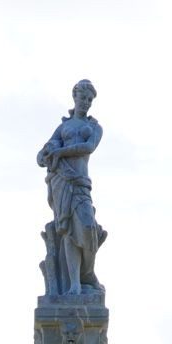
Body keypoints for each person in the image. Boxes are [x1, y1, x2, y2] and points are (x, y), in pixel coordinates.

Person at [37, 79, 107, 293]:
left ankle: (87, 274)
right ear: (74, 96)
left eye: (89, 99)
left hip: (81, 182)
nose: (86, 102)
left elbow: (88, 147)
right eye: (83, 97)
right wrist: (46, 153)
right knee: (67, 230)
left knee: (88, 228)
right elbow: (43, 153)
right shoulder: (63, 127)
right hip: (61, 182)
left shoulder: (94, 127)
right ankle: (74, 283)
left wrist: (60, 152)